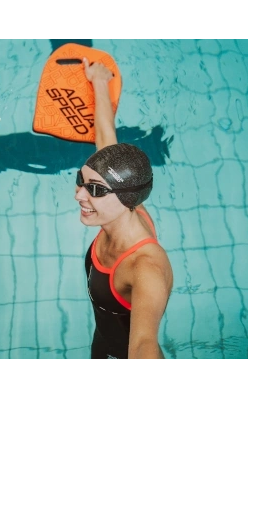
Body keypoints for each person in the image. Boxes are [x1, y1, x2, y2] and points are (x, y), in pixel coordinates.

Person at [75, 56, 173, 359]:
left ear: (127, 199)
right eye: (81, 181)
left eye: (94, 190)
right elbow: (106, 137)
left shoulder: (146, 268)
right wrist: (100, 81)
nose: (79, 195)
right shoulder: (125, 197)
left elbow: (143, 345)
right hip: (101, 338)